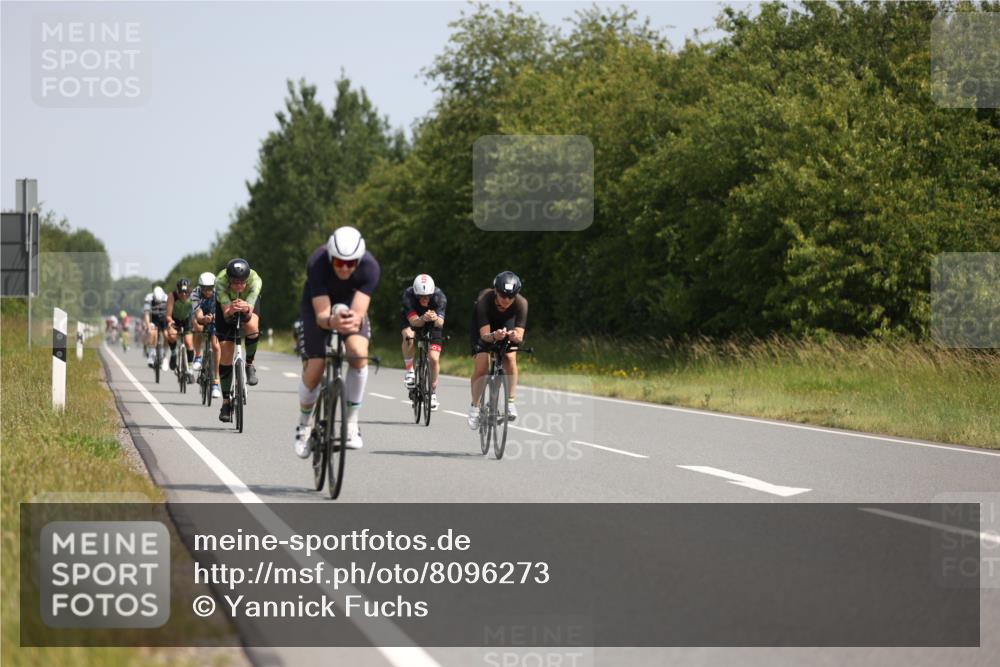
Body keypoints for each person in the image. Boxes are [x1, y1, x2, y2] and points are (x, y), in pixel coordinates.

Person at [294, 226, 379, 457]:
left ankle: (351, 423)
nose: (344, 268)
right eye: (339, 262)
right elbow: (322, 316)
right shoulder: (317, 263)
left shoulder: (370, 268)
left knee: (358, 353)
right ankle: (304, 426)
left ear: (359, 261)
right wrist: (332, 321)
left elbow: (359, 312)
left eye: (351, 264)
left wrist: (353, 321)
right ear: (331, 257)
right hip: (317, 306)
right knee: (316, 367)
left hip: (350, 304)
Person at [467, 271, 527, 429]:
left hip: (506, 323)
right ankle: (475, 407)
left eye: (511, 297)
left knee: (510, 358)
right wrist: (494, 335)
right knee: (482, 367)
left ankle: (510, 402)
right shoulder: (484, 300)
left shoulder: (521, 303)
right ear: (496, 291)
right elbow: (485, 336)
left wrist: (514, 336)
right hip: (484, 328)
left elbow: (520, 337)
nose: (507, 300)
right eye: (503, 296)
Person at [215, 259, 263, 423]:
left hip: (248, 303)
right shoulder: (220, 281)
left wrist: (246, 307)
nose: (239, 286)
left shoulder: (255, 280)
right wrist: (231, 309)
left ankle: (249, 364)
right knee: (226, 351)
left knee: (252, 326)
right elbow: (225, 312)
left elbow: (250, 311)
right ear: (229, 280)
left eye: (242, 282)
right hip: (226, 306)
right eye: (235, 282)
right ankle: (226, 402)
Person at [401, 273, 446, 411]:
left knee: (433, 358)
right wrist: (423, 318)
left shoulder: (439, 297)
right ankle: (410, 370)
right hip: (414, 321)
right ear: (415, 293)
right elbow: (414, 322)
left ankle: (432, 392)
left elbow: (441, 323)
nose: (424, 299)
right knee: (408, 336)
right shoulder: (408, 295)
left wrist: (434, 318)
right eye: (420, 296)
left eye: (427, 296)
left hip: (433, 325)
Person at [192, 272, 222, 399]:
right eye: (204, 288)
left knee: (216, 346)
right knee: (198, 327)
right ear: (200, 287)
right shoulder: (195, 293)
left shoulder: (219, 292)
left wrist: (215, 317)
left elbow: (222, 309)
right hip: (201, 315)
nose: (207, 291)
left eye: (210, 288)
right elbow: (198, 314)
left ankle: (215, 383)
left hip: (216, 316)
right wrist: (204, 319)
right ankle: (198, 356)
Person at [165, 278, 196, 380]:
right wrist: (170, 322)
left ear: (189, 291)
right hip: (175, 320)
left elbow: (196, 312)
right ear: (177, 290)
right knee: (172, 335)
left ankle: (190, 368)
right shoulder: (172, 296)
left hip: (187, 320)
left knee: (189, 343)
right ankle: (173, 353)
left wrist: (197, 322)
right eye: (181, 292)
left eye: (186, 292)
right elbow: (168, 315)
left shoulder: (193, 296)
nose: (183, 295)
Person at [144, 286, 169, 369]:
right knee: (151, 332)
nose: (158, 304)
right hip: (153, 318)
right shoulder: (149, 298)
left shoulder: (167, 298)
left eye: (159, 302)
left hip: (163, 318)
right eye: (156, 302)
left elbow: (170, 313)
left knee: (167, 336)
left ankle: (164, 355)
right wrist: (148, 325)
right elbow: (147, 314)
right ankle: (151, 354)